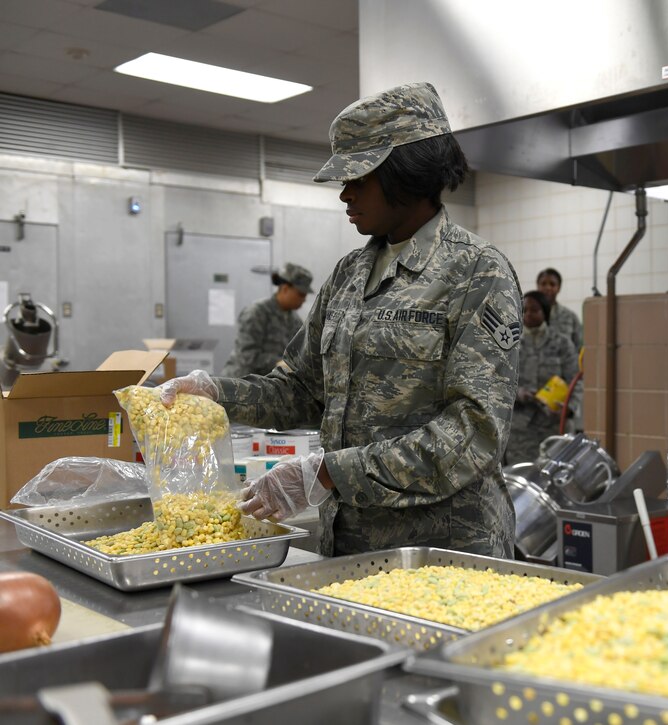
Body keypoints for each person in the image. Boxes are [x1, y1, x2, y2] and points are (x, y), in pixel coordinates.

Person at [159, 82, 523, 558]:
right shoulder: (350, 274)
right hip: (351, 543)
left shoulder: (476, 271)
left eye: (360, 177)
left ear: (405, 173)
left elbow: (473, 432)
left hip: (446, 550)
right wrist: (214, 394)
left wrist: (328, 473)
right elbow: (299, 390)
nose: (345, 194)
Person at [505, 291, 580, 465]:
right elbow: (499, 381)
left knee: (555, 479)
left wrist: (570, 408)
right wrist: (518, 393)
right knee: (521, 478)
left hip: (554, 427)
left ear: (544, 312)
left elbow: (577, 380)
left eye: (534, 310)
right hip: (521, 432)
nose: (528, 314)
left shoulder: (562, 343)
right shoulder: (511, 344)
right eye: (524, 310)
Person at [220, 263, 313, 378]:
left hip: (267, 384)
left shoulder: (295, 320)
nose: (304, 300)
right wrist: (278, 363)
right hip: (242, 383)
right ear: (285, 289)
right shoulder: (257, 312)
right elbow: (246, 355)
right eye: (301, 294)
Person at [536, 268, 583, 352]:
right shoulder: (527, 316)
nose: (548, 288)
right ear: (538, 286)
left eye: (552, 284)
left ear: (559, 288)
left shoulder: (570, 317)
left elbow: (579, 348)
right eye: (543, 284)